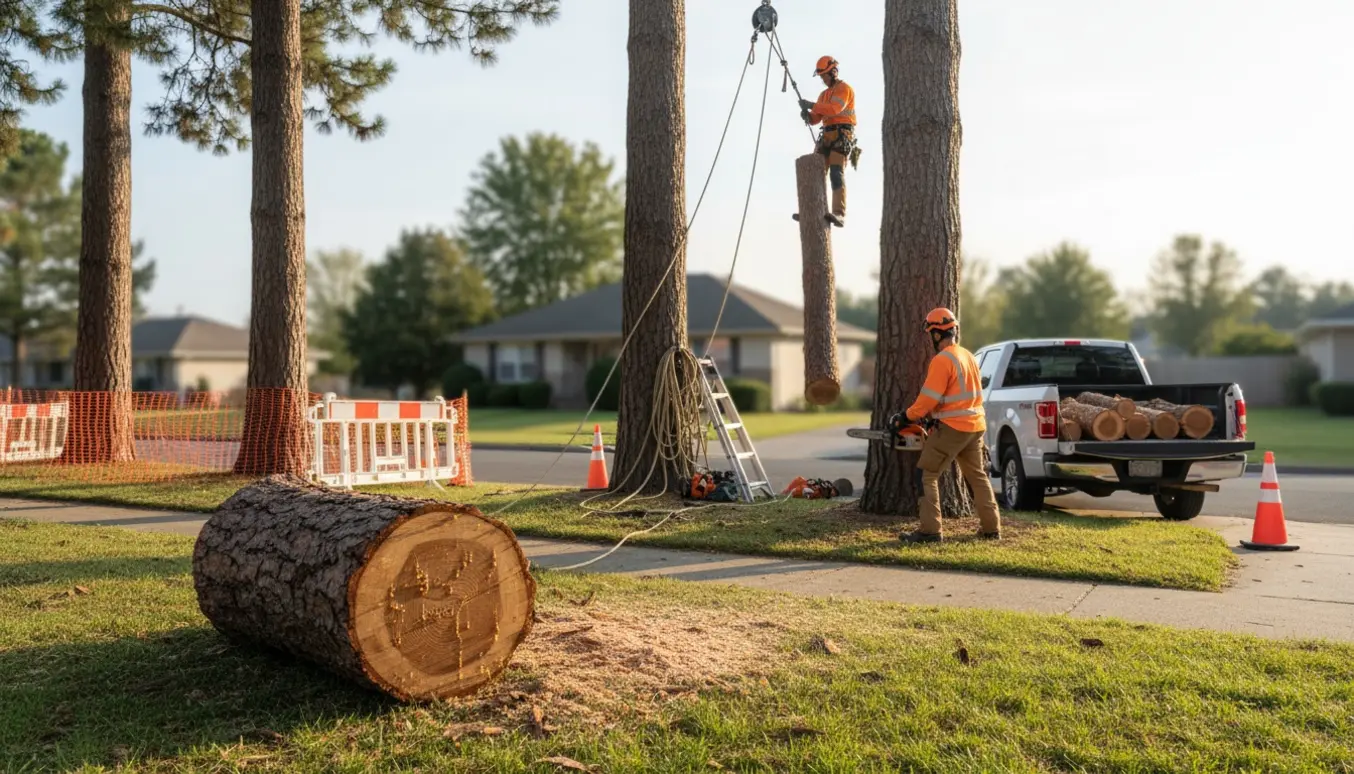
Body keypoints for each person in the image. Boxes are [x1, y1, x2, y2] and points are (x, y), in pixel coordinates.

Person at [897, 307, 1003, 543]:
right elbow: (957, 396)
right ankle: (991, 528)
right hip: (975, 425)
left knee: (925, 474)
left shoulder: (942, 360)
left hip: (953, 428)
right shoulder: (968, 356)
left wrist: (907, 416)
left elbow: (928, 398)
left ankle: (930, 531)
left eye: (930, 334)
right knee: (977, 476)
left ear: (936, 334)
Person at [795, 55, 856, 227]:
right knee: (815, 172)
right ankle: (811, 209)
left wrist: (811, 105)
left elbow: (835, 109)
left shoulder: (844, 89)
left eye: (824, 76)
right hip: (827, 136)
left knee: (836, 172)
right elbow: (817, 118)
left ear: (833, 72)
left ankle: (839, 213)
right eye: (821, 76)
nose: (823, 79)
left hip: (842, 136)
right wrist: (808, 116)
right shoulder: (824, 95)